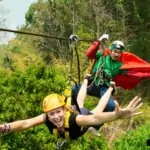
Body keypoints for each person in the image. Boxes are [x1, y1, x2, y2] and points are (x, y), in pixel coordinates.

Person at [0, 78, 142, 142]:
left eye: (58, 112)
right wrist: (5, 128)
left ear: (63, 109)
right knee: (79, 102)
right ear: (47, 115)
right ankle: (86, 80)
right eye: (51, 114)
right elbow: (25, 123)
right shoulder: (47, 118)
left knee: (97, 109)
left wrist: (116, 115)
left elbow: (94, 119)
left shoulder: (75, 120)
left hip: (81, 117)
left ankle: (110, 88)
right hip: (74, 110)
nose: (55, 117)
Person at [72, 34, 126, 112]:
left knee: (111, 106)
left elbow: (129, 72)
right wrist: (99, 41)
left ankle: (95, 119)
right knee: (75, 88)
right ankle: (76, 111)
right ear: (111, 50)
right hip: (93, 84)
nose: (116, 54)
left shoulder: (120, 65)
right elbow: (89, 53)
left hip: (104, 88)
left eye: (119, 52)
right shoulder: (101, 55)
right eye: (115, 51)